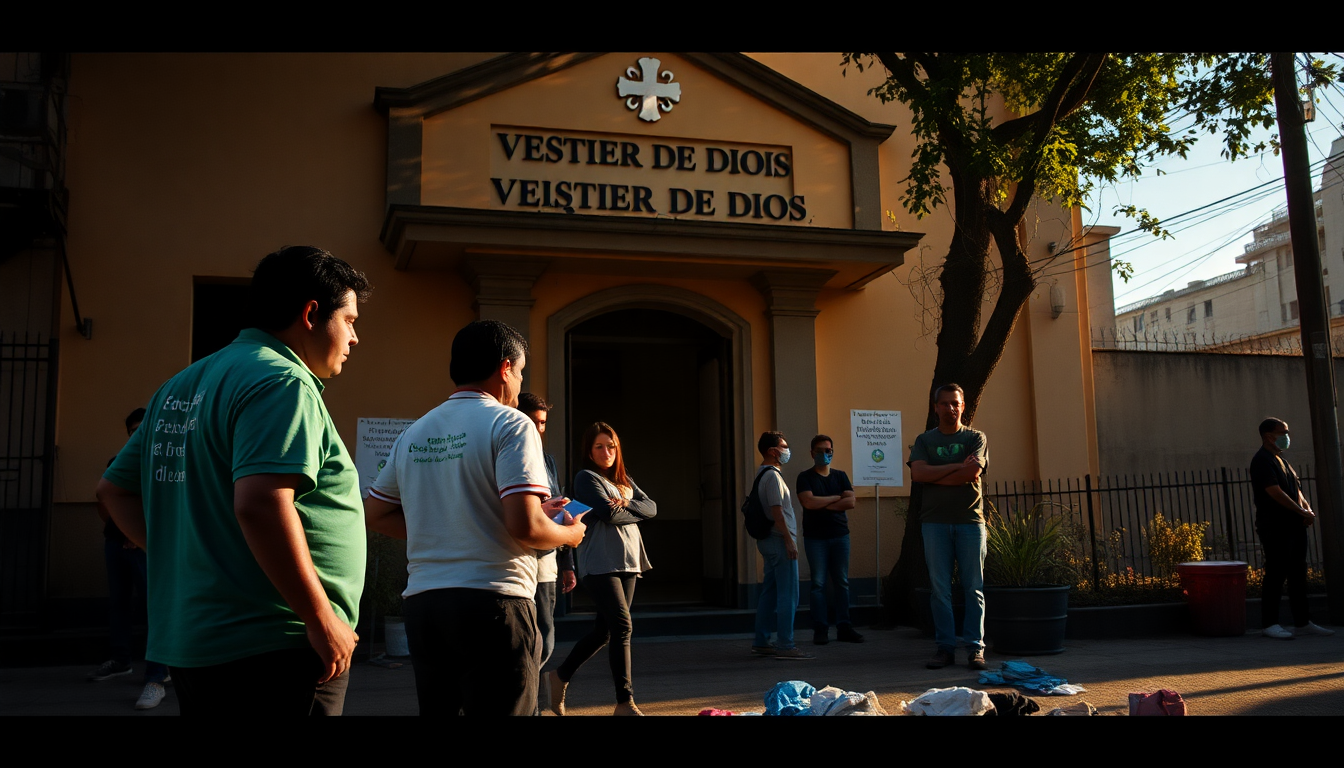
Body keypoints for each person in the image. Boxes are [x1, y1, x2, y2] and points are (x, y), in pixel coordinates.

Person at [96, 245, 372, 716]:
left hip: (198, 639)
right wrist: (320, 616)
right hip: (273, 644)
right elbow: (262, 502)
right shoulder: (283, 381)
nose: (354, 338)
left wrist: (192, 557)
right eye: (348, 320)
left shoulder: (182, 385)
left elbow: (114, 491)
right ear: (311, 313)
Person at [365, 321, 587, 716]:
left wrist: (452, 527)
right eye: (519, 373)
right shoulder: (511, 423)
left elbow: (377, 513)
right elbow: (526, 527)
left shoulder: (415, 432)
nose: (519, 386)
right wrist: (569, 534)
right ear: (505, 369)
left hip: (425, 606)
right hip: (494, 602)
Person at [549, 421, 657, 716]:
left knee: (604, 632)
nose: (606, 451)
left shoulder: (625, 479)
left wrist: (625, 501)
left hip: (629, 561)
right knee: (622, 627)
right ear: (589, 450)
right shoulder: (586, 477)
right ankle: (625, 702)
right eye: (599, 446)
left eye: (611, 446)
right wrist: (628, 506)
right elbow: (608, 514)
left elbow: (653, 508)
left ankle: (559, 677)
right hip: (599, 563)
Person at [89, 407, 172, 710]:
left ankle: (157, 675)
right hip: (116, 545)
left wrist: (135, 535)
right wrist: (116, 530)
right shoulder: (119, 462)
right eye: (131, 431)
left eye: (141, 429)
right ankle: (121, 660)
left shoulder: (163, 462)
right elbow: (105, 499)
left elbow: (162, 506)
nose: (136, 435)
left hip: (145, 547)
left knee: (156, 608)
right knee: (119, 603)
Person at [908, 383, 989, 671]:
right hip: (935, 524)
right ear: (935, 407)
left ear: (963, 406)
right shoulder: (924, 440)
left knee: (973, 588)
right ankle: (944, 648)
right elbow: (918, 473)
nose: (950, 408)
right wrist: (956, 467)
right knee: (939, 589)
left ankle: (975, 649)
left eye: (955, 403)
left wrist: (935, 474)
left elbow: (972, 472)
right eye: (944, 404)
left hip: (970, 522)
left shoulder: (975, 438)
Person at [515, 392, 578, 715]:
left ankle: (529, 699)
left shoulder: (548, 459)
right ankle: (528, 706)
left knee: (547, 638)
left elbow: (557, 506)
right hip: (518, 559)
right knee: (530, 641)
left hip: (549, 561)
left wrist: (567, 562)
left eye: (542, 423)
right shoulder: (509, 453)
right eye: (534, 422)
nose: (539, 430)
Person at [1250, 418, 1335, 639]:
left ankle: (1302, 621)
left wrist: (1306, 510)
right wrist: (1300, 512)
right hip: (1275, 527)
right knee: (1276, 573)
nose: (1287, 437)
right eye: (1282, 433)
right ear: (1269, 435)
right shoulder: (1262, 460)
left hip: (1294, 527)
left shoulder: (1282, 461)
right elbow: (1275, 492)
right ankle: (1270, 623)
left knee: (1298, 574)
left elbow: (1296, 491)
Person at [750, 431, 812, 660]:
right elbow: (777, 512)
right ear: (772, 451)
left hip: (769, 541)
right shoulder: (773, 477)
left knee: (770, 592)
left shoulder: (762, 474)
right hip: (778, 540)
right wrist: (789, 540)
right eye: (783, 446)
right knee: (789, 594)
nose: (786, 450)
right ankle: (786, 644)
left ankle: (762, 640)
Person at [796, 434, 862, 645]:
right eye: (820, 450)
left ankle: (844, 627)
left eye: (828, 451)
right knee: (818, 584)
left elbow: (851, 502)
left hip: (840, 536)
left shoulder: (840, 476)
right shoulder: (805, 477)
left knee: (842, 582)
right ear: (812, 453)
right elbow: (808, 502)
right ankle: (820, 630)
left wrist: (821, 502)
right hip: (816, 539)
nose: (825, 454)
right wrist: (836, 498)